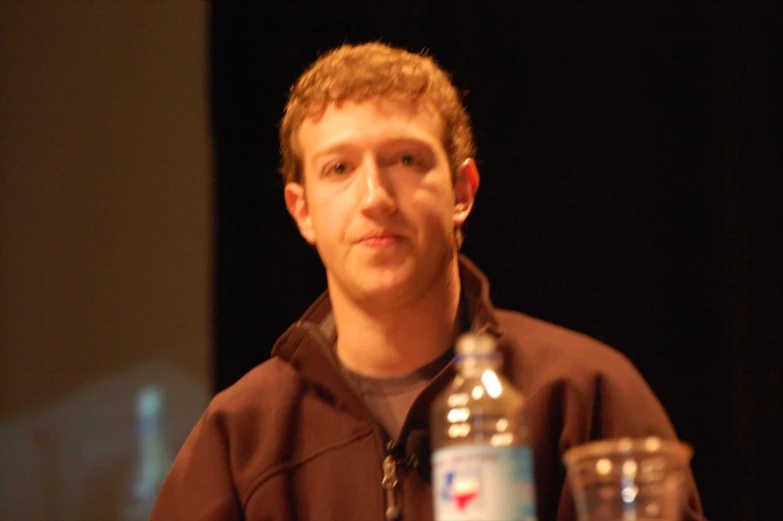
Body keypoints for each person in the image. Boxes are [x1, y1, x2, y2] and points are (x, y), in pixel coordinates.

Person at [150, 41, 705, 521]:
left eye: (407, 159)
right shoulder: (242, 437)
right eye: (339, 169)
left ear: (462, 192)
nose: (375, 198)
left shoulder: (584, 397)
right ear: (302, 212)